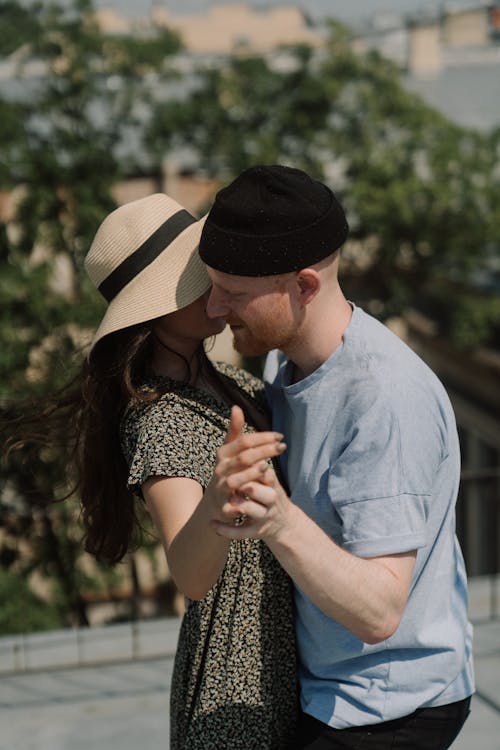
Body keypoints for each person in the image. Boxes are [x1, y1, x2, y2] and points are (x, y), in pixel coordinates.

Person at [5, 192, 298, 749]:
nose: (214, 282)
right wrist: (216, 500)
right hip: (237, 688)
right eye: (195, 276)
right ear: (156, 306)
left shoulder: (222, 381)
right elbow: (190, 575)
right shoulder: (162, 417)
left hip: (275, 659)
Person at [197, 165, 474, 750]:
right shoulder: (284, 361)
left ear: (304, 286)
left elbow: (379, 612)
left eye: (236, 292)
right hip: (330, 687)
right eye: (213, 283)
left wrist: (277, 520)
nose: (215, 307)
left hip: (390, 705)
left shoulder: (384, 399)